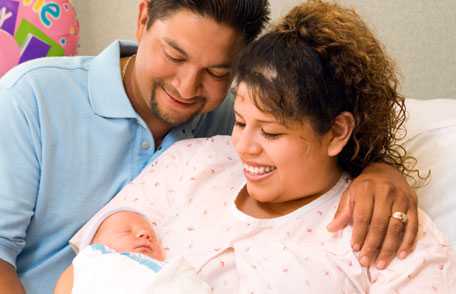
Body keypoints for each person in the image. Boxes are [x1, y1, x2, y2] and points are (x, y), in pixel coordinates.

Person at [0, 1, 418, 293]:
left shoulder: (221, 130)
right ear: (143, 18)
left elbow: (306, 140)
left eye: (217, 71)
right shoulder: (32, 97)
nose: (186, 88)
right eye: (174, 55)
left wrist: (381, 170)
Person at [54, 210, 211, 294]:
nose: (144, 235)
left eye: (151, 236)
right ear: (93, 244)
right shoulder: (90, 260)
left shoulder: (173, 268)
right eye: (126, 231)